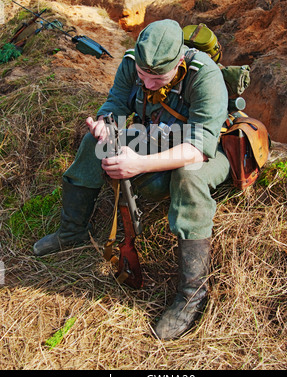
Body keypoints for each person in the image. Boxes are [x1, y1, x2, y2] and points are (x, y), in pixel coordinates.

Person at [33, 19, 231, 340]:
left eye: (159, 79)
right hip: (155, 136)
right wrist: (104, 125)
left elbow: (199, 148)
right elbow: (115, 103)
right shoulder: (130, 64)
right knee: (91, 144)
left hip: (204, 149)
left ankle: (191, 294)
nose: (149, 85)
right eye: (143, 77)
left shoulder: (204, 75)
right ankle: (71, 231)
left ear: (179, 61)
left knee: (189, 177)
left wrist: (140, 163)